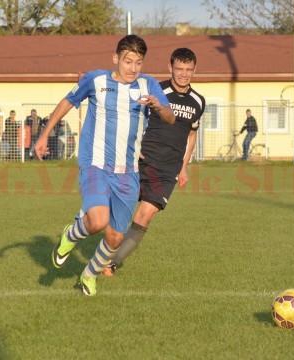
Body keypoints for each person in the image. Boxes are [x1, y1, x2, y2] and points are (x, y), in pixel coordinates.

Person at [33, 34, 175, 296]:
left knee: (115, 238)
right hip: (95, 164)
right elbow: (68, 101)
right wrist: (44, 135)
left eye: (138, 62)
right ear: (116, 59)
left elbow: (169, 118)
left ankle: (88, 275)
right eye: (128, 61)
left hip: (128, 172)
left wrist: (158, 106)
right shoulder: (95, 80)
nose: (133, 68)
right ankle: (70, 236)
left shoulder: (148, 84)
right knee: (97, 221)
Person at [103, 47, 206, 277]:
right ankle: (97, 247)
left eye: (188, 70)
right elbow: (132, 118)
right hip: (142, 162)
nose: (183, 74)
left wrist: (184, 167)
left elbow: (191, 134)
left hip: (168, 170)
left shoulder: (198, 101)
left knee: (144, 217)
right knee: (118, 212)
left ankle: (111, 264)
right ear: (170, 67)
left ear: (194, 70)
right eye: (179, 69)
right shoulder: (155, 89)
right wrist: (132, 148)